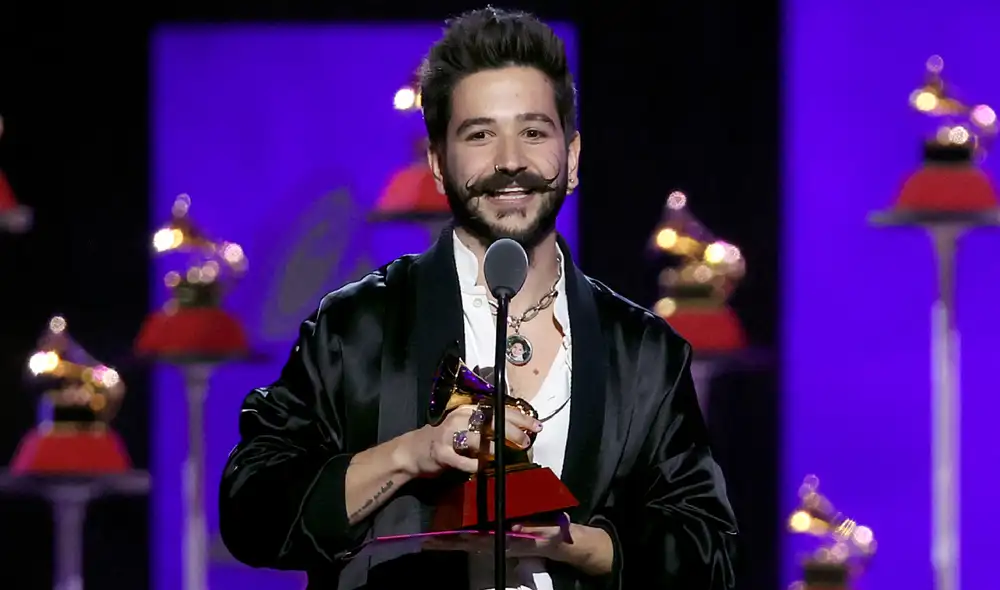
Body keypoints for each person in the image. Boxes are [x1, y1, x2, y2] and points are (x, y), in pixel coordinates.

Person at [218, 7, 738, 590]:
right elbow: (251, 509)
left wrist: (580, 546)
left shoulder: (644, 353)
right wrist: (413, 454)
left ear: (572, 159)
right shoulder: (357, 325)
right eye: (480, 134)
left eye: (534, 132)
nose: (510, 160)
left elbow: (709, 554)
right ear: (439, 164)